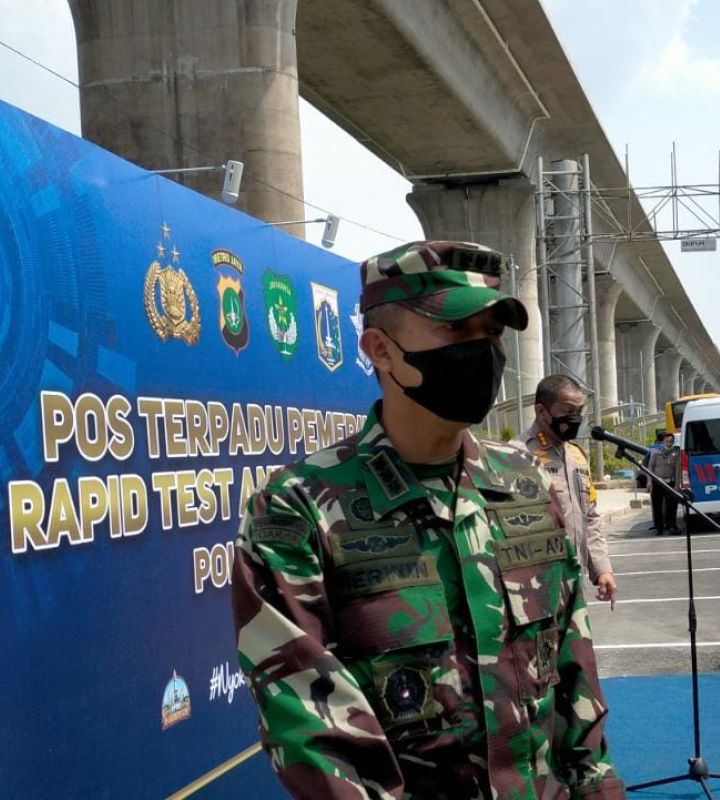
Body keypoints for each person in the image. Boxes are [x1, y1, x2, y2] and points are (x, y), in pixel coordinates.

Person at [232, 241, 624, 799]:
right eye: (458, 333)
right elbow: (312, 731)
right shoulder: (300, 506)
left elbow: (573, 669)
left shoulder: (526, 485)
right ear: (381, 351)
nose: (481, 353)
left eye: (490, 335)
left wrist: (600, 791)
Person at [515, 375, 618, 607]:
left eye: (579, 412)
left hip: (574, 580)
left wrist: (602, 570)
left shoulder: (577, 456)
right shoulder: (515, 455)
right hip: (533, 587)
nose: (575, 419)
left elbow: (589, 517)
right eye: (567, 411)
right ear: (542, 412)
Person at [646, 432, 681, 534]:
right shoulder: (656, 452)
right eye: (667, 441)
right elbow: (650, 467)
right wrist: (649, 482)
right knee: (657, 506)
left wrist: (676, 485)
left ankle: (672, 526)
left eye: (671, 441)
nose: (669, 443)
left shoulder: (675, 453)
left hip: (670, 482)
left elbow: (677, 470)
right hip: (658, 483)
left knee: (672, 506)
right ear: (663, 442)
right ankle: (659, 528)